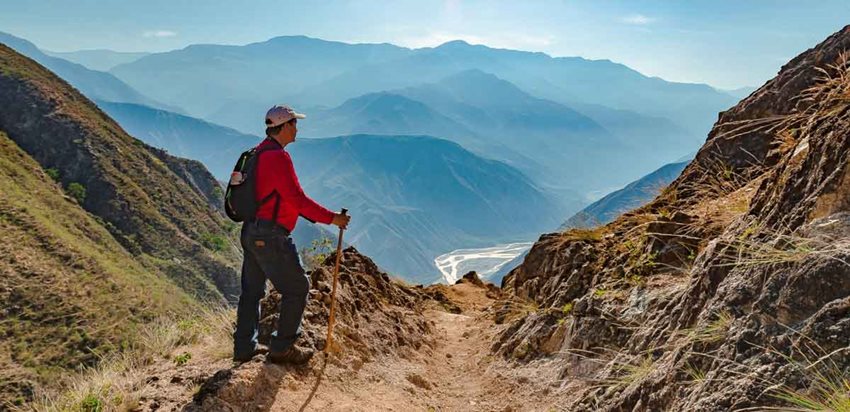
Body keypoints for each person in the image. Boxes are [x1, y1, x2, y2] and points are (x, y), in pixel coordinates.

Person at [233, 104, 350, 365]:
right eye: (294, 124)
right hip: (271, 235)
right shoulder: (278, 158)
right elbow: (297, 199)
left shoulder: (258, 153)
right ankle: (282, 347)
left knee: (251, 293)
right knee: (297, 288)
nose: (297, 128)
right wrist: (333, 219)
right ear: (283, 126)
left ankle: (243, 349)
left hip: (251, 231)